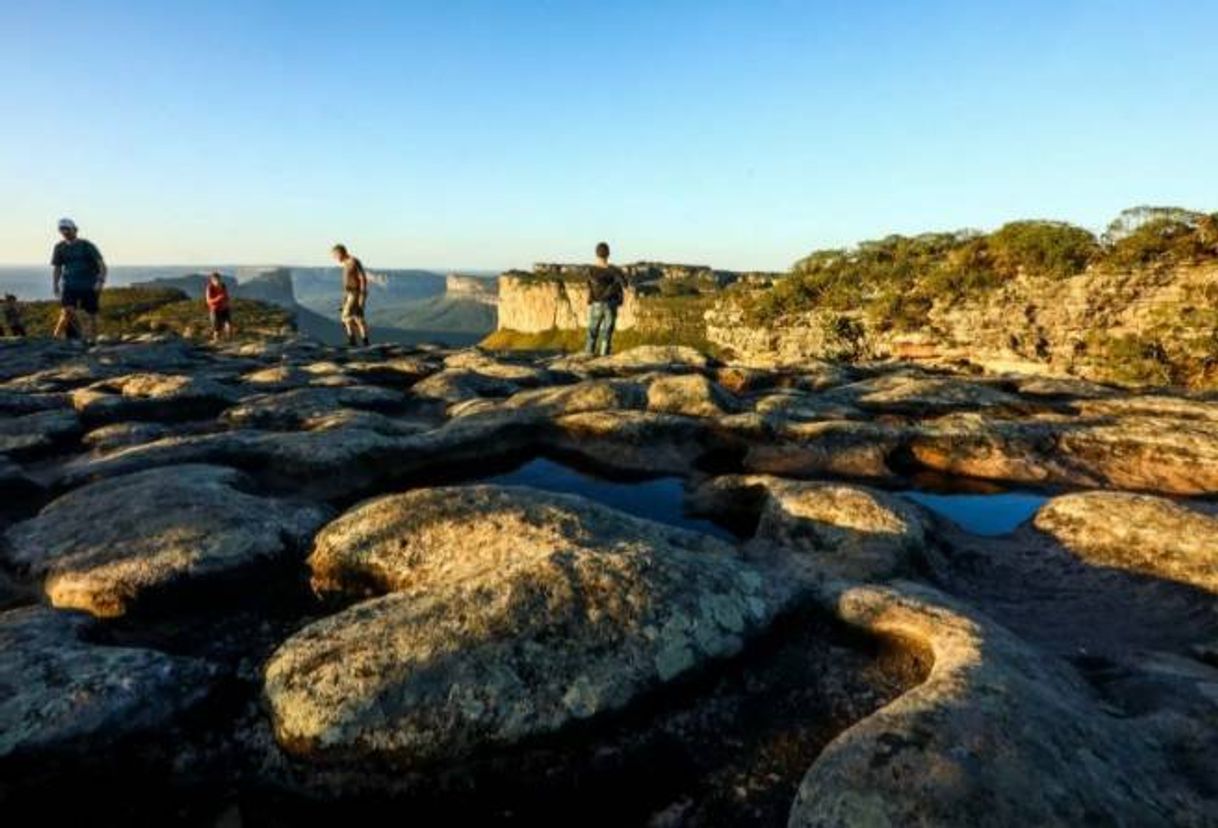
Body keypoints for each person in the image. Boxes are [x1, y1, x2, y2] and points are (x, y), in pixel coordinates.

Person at [51, 218, 106, 343]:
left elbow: (102, 265)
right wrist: (55, 285)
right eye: (62, 230)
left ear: (75, 229)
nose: (65, 232)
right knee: (66, 311)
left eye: (67, 229)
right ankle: (55, 338)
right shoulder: (59, 247)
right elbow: (58, 267)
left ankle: (93, 339)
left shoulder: (87, 246)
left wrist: (100, 281)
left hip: (89, 285)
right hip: (70, 285)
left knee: (92, 314)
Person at [585, 241, 628, 356]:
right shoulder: (614, 270)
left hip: (597, 304)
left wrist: (589, 301)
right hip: (611, 304)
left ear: (596, 254)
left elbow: (589, 288)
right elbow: (625, 284)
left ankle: (589, 354)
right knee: (607, 333)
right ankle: (604, 356)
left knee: (592, 331)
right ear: (608, 254)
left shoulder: (591, 270)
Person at [331, 244, 370, 346]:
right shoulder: (346, 263)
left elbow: (362, 278)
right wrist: (344, 299)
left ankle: (352, 341)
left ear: (340, 253)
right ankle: (364, 341)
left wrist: (362, 294)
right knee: (357, 316)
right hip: (349, 293)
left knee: (346, 316)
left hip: (355, 292)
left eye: (335, 256)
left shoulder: (353, 261)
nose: (335, 258)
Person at [204, 272, 234, 341]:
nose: (217, 281)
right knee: (217, 329)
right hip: (215, 309)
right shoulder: (209, 288)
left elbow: (226, 295)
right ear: (212, 280)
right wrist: (219, 298)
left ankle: (229, 340)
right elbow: (208, 301)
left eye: (218, 279)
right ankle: (217, 343)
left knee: (229, 325)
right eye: (215, 280)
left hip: (225, 308)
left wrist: (228, 302)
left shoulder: (223, 285)